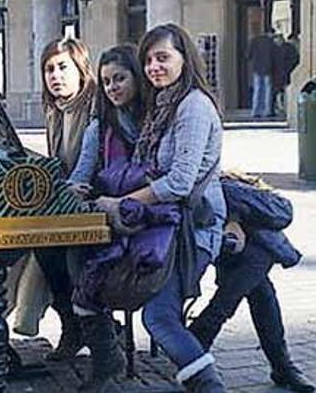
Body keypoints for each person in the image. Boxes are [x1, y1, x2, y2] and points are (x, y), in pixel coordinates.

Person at [94, 24, 227, 392]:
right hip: (165, 225)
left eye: (163, 58)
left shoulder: (193, 107)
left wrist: (122, 202)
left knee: (159, 318)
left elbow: (180, 182)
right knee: (155, 313)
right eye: (149, 60)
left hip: (193, 229)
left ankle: (210, 386)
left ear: (185, 59)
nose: (154, 67)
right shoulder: (161, 106)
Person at [65, 45, 147, 391]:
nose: (113, 88)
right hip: (107, 214)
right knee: (67, 254)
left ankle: (103, 349)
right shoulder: (99, 126)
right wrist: (78, 188)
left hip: (148, 218)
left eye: (120, 79)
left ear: (136, 78)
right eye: (107, 82)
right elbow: (81, 173)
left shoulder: (154, 121)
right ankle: (104, 354)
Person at [189, 172, 316, 392]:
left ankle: (199, 337)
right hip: (213, 233)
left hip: (239, 244)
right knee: (260, 278)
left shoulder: (231, 186)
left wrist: (235, 218)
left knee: (258, 282)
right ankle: (282, 365)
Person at [31, 36, 97, 362]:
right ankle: (74, 320)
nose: (55, 75)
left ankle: (77, 323)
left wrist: (70, 188)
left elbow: (87, 164)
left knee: (47, 243)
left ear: (81, 70)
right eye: (49, 69)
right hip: (67, 197)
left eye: (62, 67)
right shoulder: (55, 110)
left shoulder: (94, 107)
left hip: (96, 199)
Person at [247, 28, 279, 118]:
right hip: (268, 69)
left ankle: (255, 111)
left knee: (257, 90)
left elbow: (249, 55)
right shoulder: (271, 43)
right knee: (268, 90)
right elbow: (275, 56)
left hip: (257, 68)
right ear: (270, 33)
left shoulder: (254, 41)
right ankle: (267, 111)